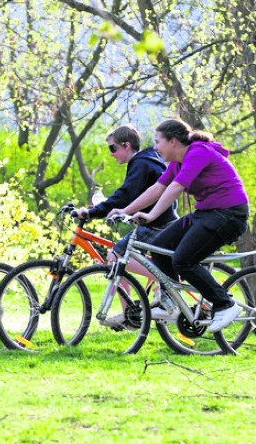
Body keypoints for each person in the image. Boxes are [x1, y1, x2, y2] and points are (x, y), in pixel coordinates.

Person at [109, 118, 249, 333]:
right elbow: (157, 188)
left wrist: (151, 214)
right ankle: (169, 304)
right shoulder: (177, 163)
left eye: (158, 142)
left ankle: (224, 304)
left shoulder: (198, 152)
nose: (155, 147)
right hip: (207, 213)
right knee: (160, 248)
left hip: (229, 214)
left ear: (173, 141)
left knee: (182, 260)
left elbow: (176, 187)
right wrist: (125, 211)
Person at [74, 125, 178, 327]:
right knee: (118, 255)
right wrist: (105, 207)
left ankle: (163, 285)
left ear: (127, 145)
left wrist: (92, 212)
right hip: (159, 224)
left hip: (156, 227)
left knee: (115, 256)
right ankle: (137, 306)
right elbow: (130, 195)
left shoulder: (141, 163)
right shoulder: (146, 162)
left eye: (113, 149)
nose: (112, 154)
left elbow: (125, 195)